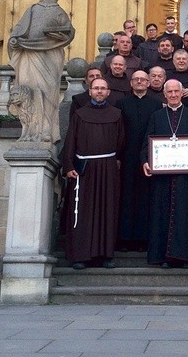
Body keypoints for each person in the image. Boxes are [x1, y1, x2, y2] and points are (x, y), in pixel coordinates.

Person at [141, 79, 188, 268]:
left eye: (176, 91)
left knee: (186, 214)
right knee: (162, 214)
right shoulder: (156, 116)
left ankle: (186, 257)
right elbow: (147, 141)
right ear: (165, 94)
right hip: (162, 176)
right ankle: (164, 257)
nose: (172, 95)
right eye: (169, 92)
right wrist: (145, 161)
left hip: (186, 176)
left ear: (181, 93)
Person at [62, 77, 125, 269]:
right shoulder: (80, 114)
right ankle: (81, 256)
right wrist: (69, 166)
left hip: (108, 169)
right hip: (84, 169)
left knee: (108, 210)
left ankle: (105, 254)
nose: (99, 91)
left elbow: (121, 141)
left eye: (103, 88)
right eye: (96, 88)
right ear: (89, 92)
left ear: (108, 92)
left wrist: (115, 161)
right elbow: (70, 141)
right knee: (83, 212)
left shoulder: (117, 114)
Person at [8, 0, 75, 143]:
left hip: (49, 57)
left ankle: (46, 130)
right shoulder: (32, 10)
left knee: (47, 93)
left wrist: (58, 36)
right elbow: (18, 29)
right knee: (28, 92)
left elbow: (68, 33)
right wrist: (15, 40)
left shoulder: (59, 12)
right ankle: (30, 130)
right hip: (29, 55)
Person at [116, 71, 162, 250]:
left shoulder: (157, 105)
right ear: (131, 83)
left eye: (143, 79)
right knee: (126, 197)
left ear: (149, 83)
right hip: (127, 157)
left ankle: (144, 239)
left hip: (149, 158)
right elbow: (118, 133)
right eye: (136, 79)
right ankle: (125, 239)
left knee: (146, 197)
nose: (140, 82)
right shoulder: (121, 104)